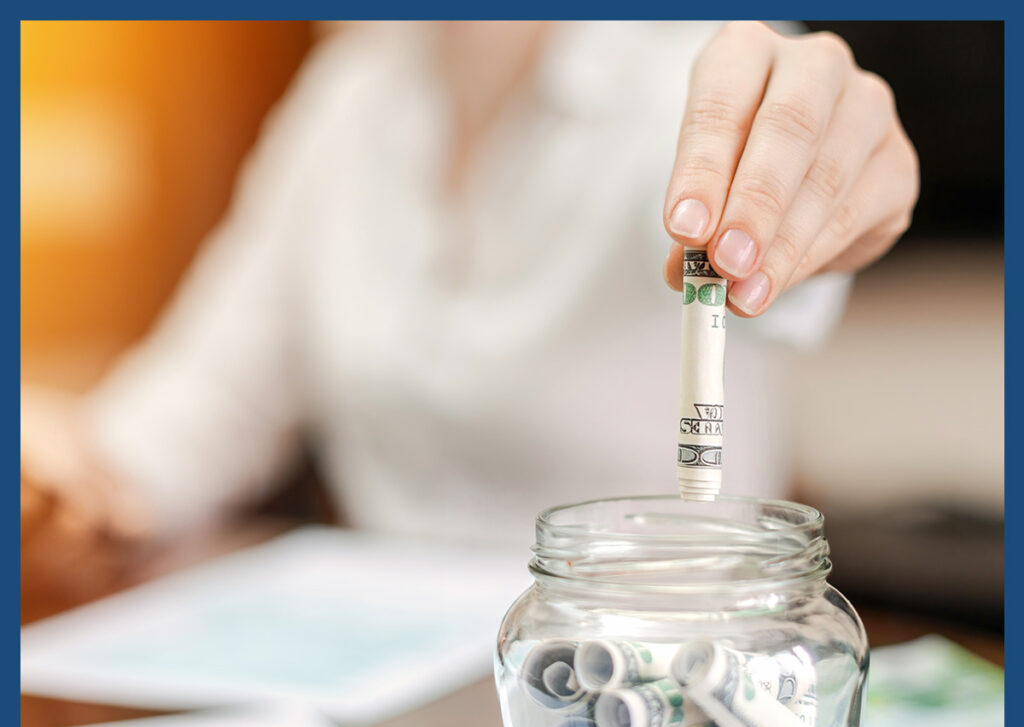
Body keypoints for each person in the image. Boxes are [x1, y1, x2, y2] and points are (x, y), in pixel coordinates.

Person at [20, 21, 918, 599]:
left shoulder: (689, 77)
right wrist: (61, 464)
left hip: (655, 673)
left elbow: (799, 224)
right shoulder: (349, 96)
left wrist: (838, 183)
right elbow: (186, 429)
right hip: (384, 687)